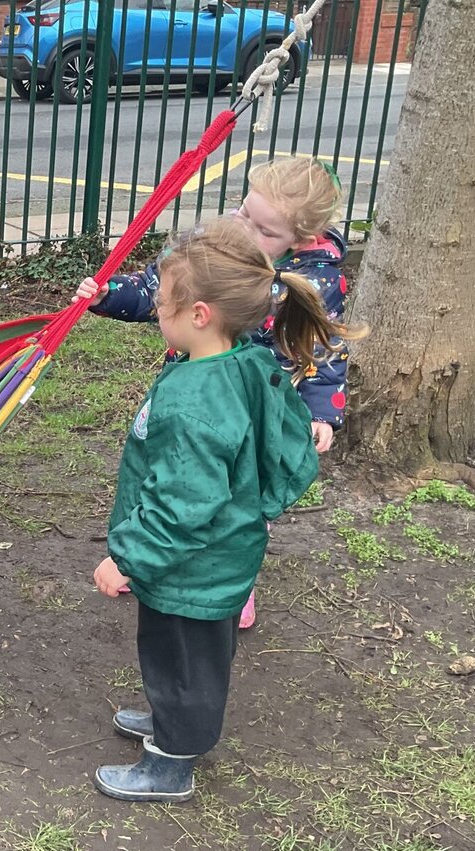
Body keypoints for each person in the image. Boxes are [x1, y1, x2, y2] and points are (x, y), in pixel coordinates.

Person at [89, 217, 361, 803]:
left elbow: (185, 499)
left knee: (182, 660)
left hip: (193, 565)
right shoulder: (242, 359)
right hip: (219, 554)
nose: (156, 310)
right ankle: (175, 724)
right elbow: (280, 440)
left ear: (199, 314)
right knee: (187, 658)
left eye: (162, 302)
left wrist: (128, 558)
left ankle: (172, 761)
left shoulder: (195, 400)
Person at [74, 156, 350, 629]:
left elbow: (322, 347)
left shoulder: (315, 278)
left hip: (251, 409)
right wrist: (111, 293)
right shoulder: (217, 248)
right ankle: (149, 562)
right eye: (244, 212)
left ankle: (229, 587)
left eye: (264, 230)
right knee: (176, 478)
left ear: (300, 239)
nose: (246, 229)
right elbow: (161, 292)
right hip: (198, 397)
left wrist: (320, 412)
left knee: (237, 499)